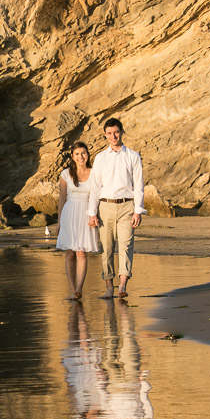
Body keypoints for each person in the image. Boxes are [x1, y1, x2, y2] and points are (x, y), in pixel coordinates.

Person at [87, 118, 146, 299]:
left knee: (126, 245)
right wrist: (92, 213)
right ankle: (109, 286)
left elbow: (139, 185)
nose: (113, 136)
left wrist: (138, 210)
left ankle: (122, 285)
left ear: (122, 132)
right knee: (106, 248)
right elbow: (95, 187)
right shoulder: (100, 158)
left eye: (116, 132)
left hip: (127, 205)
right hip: (105, 206)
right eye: (110, 133)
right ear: (105, 135)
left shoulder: (133, 156)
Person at [56, 141, 100, 300]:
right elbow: (62, 199)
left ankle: (79, 289)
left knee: (81, 252)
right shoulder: (66, 174)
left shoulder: (94, 172)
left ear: (87, 154)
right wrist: (59, 222)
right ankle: (72, 288)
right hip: (69, 213)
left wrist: (94, 215)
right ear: (72, 157)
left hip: (86, 213)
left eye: (83, 153)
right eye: (77, 154)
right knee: (70, 253)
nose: (81, 157)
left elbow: (97, 196)